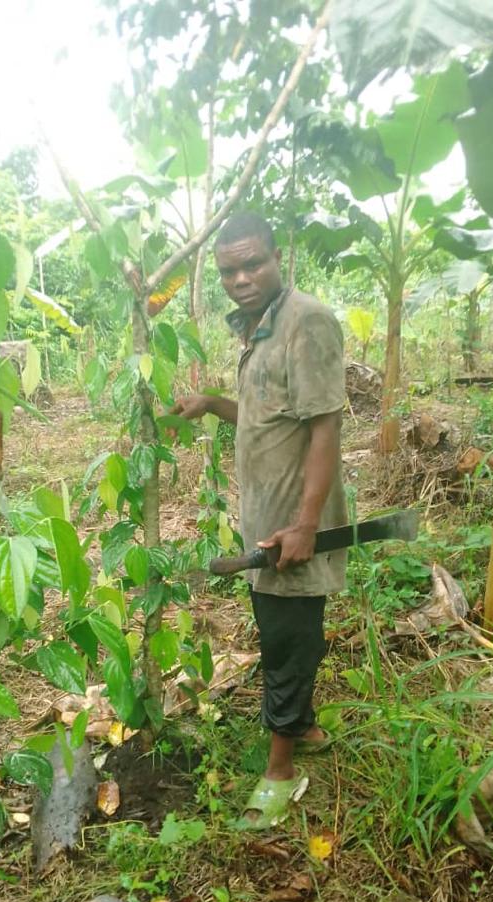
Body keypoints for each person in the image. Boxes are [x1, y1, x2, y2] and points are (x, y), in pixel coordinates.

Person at [172, 211, 347, 830]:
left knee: (285, 635)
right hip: (265, 513)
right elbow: (265, 413)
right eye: (229, 270)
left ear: (279, 256)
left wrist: (305, 524)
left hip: (293, 520)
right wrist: (211, 404)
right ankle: (303, 727)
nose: (241, 278)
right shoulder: (259, 329)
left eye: (253, 264)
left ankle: (280, 768)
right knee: (290, 623)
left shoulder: (308, 321)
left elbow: (325, 428)